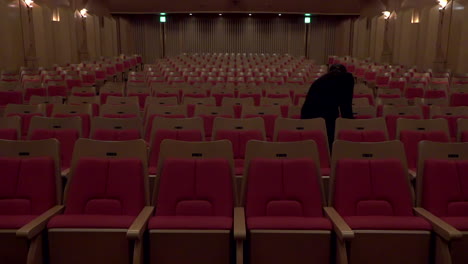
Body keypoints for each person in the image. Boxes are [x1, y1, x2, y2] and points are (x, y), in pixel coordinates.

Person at [301, 64, 354, 149]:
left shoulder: (321, 80)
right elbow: (346, 108)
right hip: (323, 115)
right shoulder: (347, 78)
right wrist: (352, 127)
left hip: (308, 116)